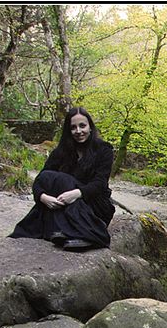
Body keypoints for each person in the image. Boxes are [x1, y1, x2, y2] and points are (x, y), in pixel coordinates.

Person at [10, 107, 115, 251]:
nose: (78, 131)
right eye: (73, 127)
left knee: (64, 181)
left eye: (82, 126)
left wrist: (76, 194)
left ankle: (91, 235)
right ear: (68, 131)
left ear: (90, 127)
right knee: (49, 176)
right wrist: (43, 197)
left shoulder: (104, 150)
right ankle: (65, 231)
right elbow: (41, 178)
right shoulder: (62, 151)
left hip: (94, 204)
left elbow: (100, 184)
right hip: (65, 202)